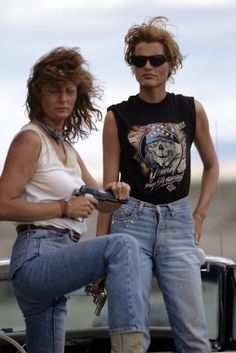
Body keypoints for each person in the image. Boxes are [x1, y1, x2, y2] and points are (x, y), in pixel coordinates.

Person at [0, 47, 145, 353]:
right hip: (36, 258)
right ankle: (129, 347)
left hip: (60, 259)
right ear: (39, 94)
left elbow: (100, 200)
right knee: (122, 246)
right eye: (54, 91)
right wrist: (65, 208)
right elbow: (2, 204)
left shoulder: (67, 148)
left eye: (69, 91)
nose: (63, 99)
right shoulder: (30, 139)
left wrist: (117, 194)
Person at [96, 16, 219, 353]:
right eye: (139, 60)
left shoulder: (191, 109)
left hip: (179, 223)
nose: (147, 66)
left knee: (194, 335)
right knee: (129, 334)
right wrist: (100, 251)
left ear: (171, 64)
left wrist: (199, 216)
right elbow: (110, 189)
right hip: (130, 223)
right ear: (132, 66)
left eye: (156, 60)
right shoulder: (116, 116)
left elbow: (212, 166)